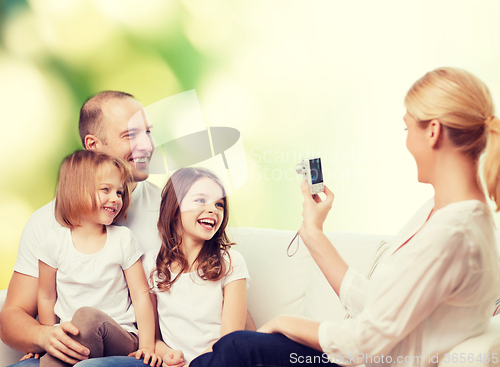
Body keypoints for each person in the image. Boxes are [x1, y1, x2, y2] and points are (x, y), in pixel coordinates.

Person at [189, 67, 500, 367]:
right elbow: (381, 306)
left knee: (239, 347)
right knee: (236, 348)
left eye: (408, 128)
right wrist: (313, 232)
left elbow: (365, 341)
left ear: (433, 131)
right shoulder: (443, 214)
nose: (407, 142)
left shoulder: (455, 232)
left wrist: (284, 323)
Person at [0, 91, 160, 366]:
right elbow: (13, 317)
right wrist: (45, 335)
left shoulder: (173, 209)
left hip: (131, 350)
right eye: (130, 135)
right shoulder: (46, 225)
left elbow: (219, 278)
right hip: (72, 347)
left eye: (147, 132)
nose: (147, 145)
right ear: (93, 145)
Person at [30, 150, 159, 367]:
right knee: (75, 329)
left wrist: (146, 346)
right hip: (74, 337)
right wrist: (49, 339)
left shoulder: (122, 239)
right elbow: (45, 296)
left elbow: (140, 296)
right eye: (106, 190)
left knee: (86, 317)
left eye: (119, 192)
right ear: (75, 191)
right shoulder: (53, 242)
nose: (115, 198)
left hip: (121, 337)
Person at [143, 168, 249, 367]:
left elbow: (230, 340)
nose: (213, 209)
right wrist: (168, 355)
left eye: (219, 204)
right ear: (174, 209)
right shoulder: (152, 265)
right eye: (201, 200)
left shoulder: (231, 262)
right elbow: (152, 339)